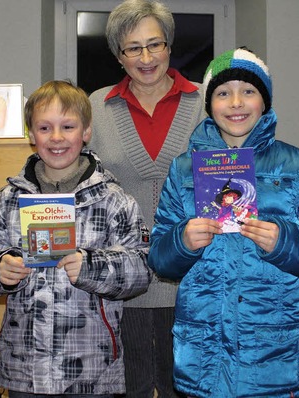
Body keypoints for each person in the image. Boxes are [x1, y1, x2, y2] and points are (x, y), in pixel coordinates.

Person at [148, 48, 299, 397]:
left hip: (274, 356)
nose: (236, 103)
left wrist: (285, 242)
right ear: (210, 104)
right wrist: (182, 241)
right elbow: (159, 258)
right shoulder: (184, 169)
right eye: (224, 93)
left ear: (265, 101)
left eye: (249, 91)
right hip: (203, 357)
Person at [0, 80, 152, 396]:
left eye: (68, 126)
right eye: (44, 128)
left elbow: (142, 271)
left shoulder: (115, 201)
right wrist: (0, 270)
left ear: (86, 132)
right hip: (24, 368)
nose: (56, 137)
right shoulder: (6, 200)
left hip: (92, 369)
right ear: (31, 135)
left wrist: (90, 266)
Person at [88, 1, 206, 395]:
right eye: (132, 48)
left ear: (169, 46)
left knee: (188, 387)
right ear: (118, 56)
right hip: (124, 282)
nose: (146, 57)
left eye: (155, 44)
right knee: (130, 387)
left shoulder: (208, 104)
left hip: (194, 277)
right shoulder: (95, 107)